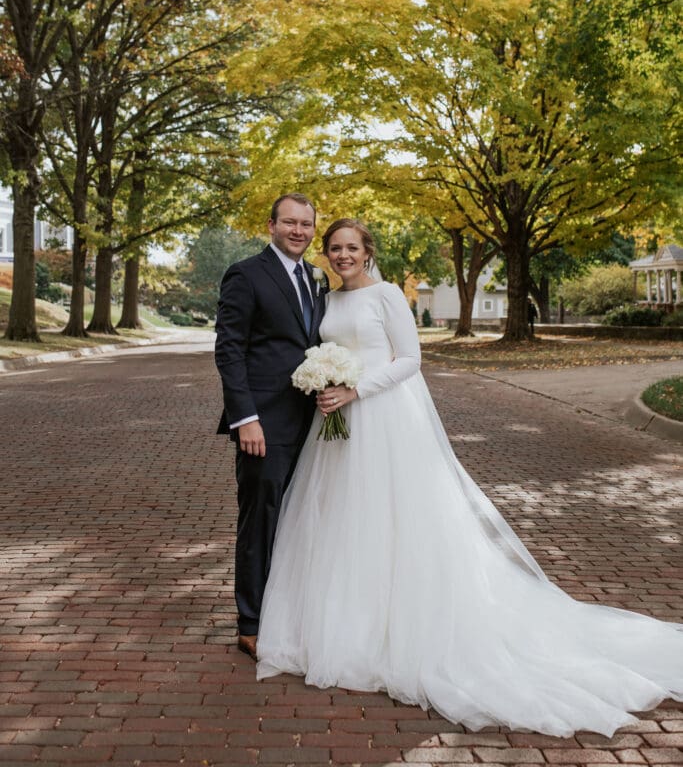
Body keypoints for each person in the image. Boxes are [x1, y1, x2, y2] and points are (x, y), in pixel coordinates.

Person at [255, 218, 683, 738]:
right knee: (345, 520)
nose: (343, 255)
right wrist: (328, 384)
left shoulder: (388, 295)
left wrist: (356, 389)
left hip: (385, 420)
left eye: (352, 247)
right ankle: (351, 625)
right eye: (335, 248)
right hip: (336, 431)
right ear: (327, 254)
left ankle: (408, 628)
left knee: (396, 519)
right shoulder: (326, 299)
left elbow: (410, 360)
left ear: (368, 251)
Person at [214, 193, 328, 660]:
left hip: (316, 424)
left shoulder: (318, 279)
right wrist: (246, 419)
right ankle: (252, 622)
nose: (298, 230)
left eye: (306, 224)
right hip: (264, 422)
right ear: (271, 225)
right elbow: (229, 350)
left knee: (304, 520)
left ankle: (294, 612)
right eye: (290, 222)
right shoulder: (246, 274)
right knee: (260, 520)